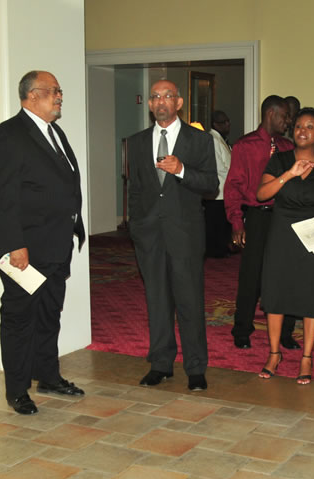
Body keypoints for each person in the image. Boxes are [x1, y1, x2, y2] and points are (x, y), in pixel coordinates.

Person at [0, 70, 86, 415]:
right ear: (31, 96)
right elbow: (2, 197)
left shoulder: (54, 132)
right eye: (53, 91)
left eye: (59, 91)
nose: (59, 97)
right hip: (24, 250)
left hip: (56, 244)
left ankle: (48, 376)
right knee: (19, 319)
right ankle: (17, 390)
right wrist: (15, 245)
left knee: (49, 315)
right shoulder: (9, 135)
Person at [127, 79, 218, 391]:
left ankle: (195, 368)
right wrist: (136, 227)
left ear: (179, 103)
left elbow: (211, 185)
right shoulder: (137, 142)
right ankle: (161, 364)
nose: (161, 101)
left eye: (168, 96)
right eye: (155, 97)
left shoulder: (199, 141)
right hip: (149, 236)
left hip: (185, 235)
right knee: (157, 301)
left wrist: (181, 170)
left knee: (189, 302)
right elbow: (135, 190)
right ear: (150, 104)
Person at [256, 107, 314, 385]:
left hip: (311, 235)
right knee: (275, 292)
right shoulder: (279, 160)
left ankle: (307, 357)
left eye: (310, 127)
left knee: (311, 294)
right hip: (281, 232)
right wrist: (289, 174)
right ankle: (274, 353)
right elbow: (262, 194)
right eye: (298, 126)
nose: (302, 131)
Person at [224, 96, 300, 350]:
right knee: (251, 277)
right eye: (285, 116)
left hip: (284, 218)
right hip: (256, 217)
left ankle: (286, 332)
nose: (288, 121)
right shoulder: (244, 145)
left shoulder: (288, 147)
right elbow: (233, 186)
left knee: (287, 275)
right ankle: (242, 329)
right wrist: (236, 222)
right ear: (271, 114)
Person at [203, 110, 233, 258]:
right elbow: (218, 166)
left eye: (228, 121)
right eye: (223, 122)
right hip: (218, 189)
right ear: (215, 124)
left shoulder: (221, 138)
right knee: (215, 223)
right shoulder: (212, 139)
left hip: (224, 189)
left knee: (222, 222)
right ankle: (215, 250)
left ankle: (221, 247)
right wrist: (234, 175)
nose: (227, 125)